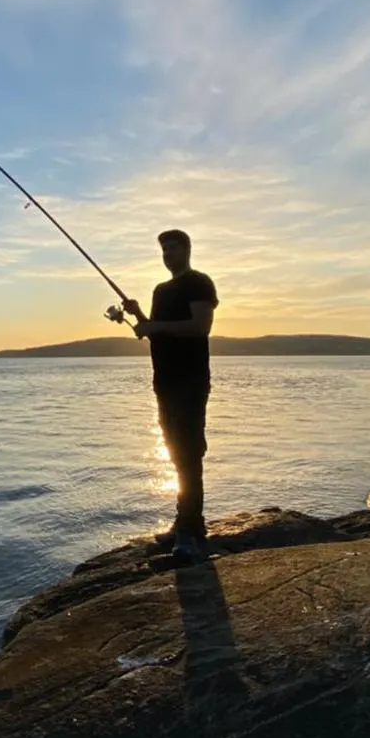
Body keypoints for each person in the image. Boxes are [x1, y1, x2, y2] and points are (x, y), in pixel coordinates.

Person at [123, 230, 218, 563]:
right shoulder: (160, 290)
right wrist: (139, 317)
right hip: (163, 381)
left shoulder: (199, 283)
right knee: (177, 454)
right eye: (163, 249)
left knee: (190, 453)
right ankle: (186, 523)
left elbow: (200, 327)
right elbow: (158, 332)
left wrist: (154, 328)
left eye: (173, 248)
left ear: (187, 249)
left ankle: (190, 534)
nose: (167, 254)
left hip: (191, 380)